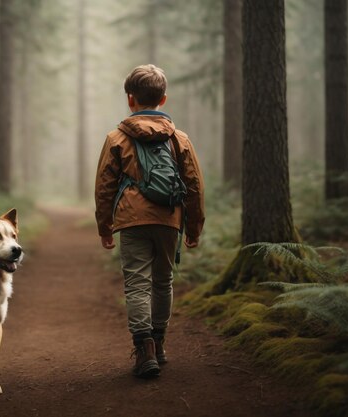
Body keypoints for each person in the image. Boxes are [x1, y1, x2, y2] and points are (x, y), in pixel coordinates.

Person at [94, 64, 205, 378]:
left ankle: (145, 351)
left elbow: (104, 186)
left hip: (131, 219)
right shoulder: (179, 138)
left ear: (130, 99)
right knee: (163, 281)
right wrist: (194, 228)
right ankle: (160, 343)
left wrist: (105, 228)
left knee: (137, 286)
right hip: (169, 218)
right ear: (164, 99)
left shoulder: (117, 137)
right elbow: (194, 184)